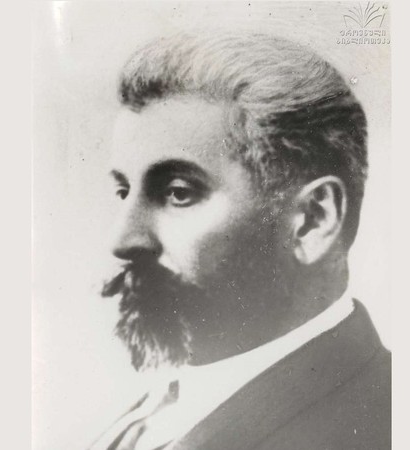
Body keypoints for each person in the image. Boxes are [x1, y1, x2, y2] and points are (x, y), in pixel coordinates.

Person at [92, 31, 390, 450]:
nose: (122, 240)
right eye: (124, 191)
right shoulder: (151, 416)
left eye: (178, 193)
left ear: (312, 219)